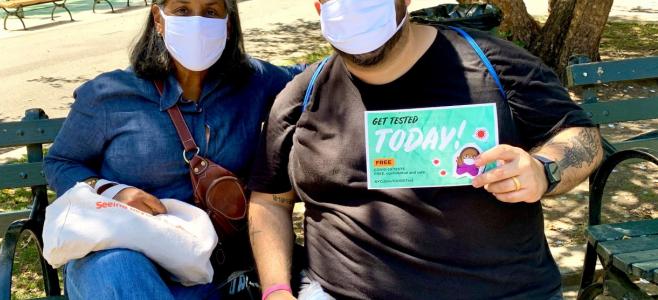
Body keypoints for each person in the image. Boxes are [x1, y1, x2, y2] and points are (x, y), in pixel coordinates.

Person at [247, 0, 603, 299]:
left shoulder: (493, 63)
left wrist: (545, 170)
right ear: (320, 8)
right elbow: (270, 201)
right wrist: (277, 289)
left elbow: (582, 136)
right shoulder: (302, 96)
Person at [43, 0, 303, 298]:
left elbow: (312, 77)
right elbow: (61, 162)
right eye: (182, 9)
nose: (196, 22)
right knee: (116, 267)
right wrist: (112, 191)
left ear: (227, 24)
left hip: (213, 268)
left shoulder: (254, 81)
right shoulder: (108, 95)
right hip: (127, 260)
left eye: (210, 11)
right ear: (158, 18)